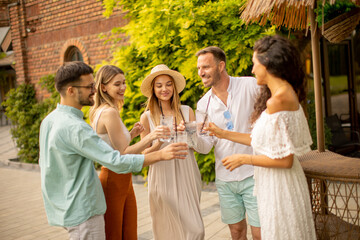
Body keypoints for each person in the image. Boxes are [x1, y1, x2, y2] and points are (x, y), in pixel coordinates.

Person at [39, 61, 188, 240]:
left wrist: (133, 136)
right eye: (89, 87)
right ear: (71, 90)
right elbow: (117, 159)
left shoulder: (51, 120)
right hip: (84, 206)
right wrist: (160, 153)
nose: (94, 91)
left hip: (69, 206)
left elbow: (47, 167)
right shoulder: (77, 126)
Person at [207, 35, 317, 240]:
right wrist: (222, 133)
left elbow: (285, 160)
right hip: (275, 182)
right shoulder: (283, 94)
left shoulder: (278, 101)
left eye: (254, 63)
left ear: (267, 64)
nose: (252, 69)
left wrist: (243, 159)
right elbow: (261, 141)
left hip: (280, 184)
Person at [88, 65, 171, 240]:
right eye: (117, 84)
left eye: (124, 83)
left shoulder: (100, 110)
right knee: (116, 234)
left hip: (121, 178)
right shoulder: (109, 112)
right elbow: (122, 153)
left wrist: (132, 135)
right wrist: (150, 138)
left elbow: (113, 146)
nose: (123, 87)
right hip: (113, 178)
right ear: (103, 87)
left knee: (127, 232)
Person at [196, 46, 261, 240]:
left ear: (221, 66)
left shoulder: (251, 86)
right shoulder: (203, 104)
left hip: (254, 173)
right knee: (236, 232)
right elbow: (206, 146)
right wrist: (191, 138)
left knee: (260, 233)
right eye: (199, 68)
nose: (201, 72)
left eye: (206, 67)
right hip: (226, 179)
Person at [139, 64, 205, 240]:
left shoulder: (186, 111)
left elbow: (196, 145)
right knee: (167, 230)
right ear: (153, 89)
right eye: (159, 85)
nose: (164, 89)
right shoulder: (146, 117)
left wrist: (188, 131)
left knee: (196, 230)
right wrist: (159, 139)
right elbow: (143, 156)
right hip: (162, 175)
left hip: (187, 171)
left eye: (168, 84)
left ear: (174, 87)